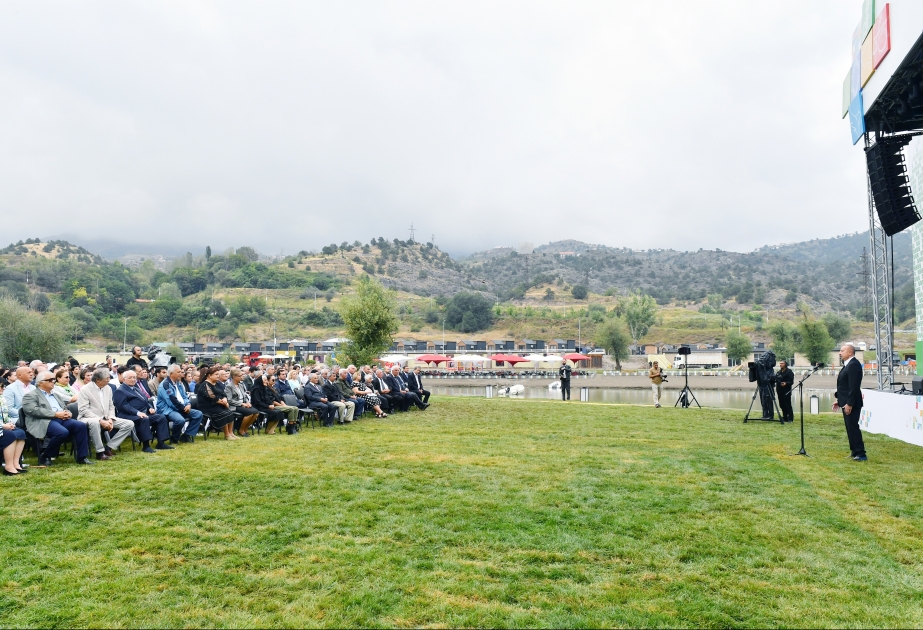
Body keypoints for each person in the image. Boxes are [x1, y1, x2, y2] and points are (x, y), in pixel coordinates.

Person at [22, 371, 93, 466]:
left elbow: (64, 407)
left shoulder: (55, 394)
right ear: (41, 382)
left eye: (54, 380)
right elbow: (33, 410)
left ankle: (82, 457)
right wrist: (55, 414)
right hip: (44, 420)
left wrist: (68, 413)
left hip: (61, 419)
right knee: (61, 432)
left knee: (81, 425)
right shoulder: (31, 395)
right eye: (50, 380)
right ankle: (46, 455)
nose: (53, 382)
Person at [77, 368, 135, 460]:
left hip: (106, 417)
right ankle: (99, 452)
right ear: (97, 380)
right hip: (87, 418)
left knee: (129, 424)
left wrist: (111, 419)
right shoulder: (85, 389)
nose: (109, 380)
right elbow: (84, 410)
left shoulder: (107, 388)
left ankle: (109, 448)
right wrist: (99, 420)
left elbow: (111, 406)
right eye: (106, 378)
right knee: (95, 423)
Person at [114, 370, 173, 452]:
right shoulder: (120, 391)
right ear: (124, 379)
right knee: (144, 419)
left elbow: (145, 401)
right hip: (129, 415)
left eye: (134, 377)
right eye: (130, 378)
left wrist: (149, 408)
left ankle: (161, 443)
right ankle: (146, 446)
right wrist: (137, 413)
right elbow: (123, 406)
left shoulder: (136, 388)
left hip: (143, 412)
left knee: (161, 417)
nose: (133, 379)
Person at [833, 343, 866, 461]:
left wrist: (849, 403)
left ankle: (861, 453)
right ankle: (854, 451)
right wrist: (839, 400)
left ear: (850, 352)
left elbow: (854, 387)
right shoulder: (847, 364)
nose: (839, 353)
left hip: (852, 403)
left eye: (842, 351)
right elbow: (844, 386)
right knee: (849, 428)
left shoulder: (853, 365)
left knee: (853, 427)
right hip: (845, 401)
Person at [157, 364, 203, 443]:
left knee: (198, 414)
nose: (181, 374)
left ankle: (186, 436)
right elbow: (172, 401)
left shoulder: (178, 383)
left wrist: (188, 404)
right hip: (168, 409)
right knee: (180, 420)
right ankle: (174, 438)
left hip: (180, 407)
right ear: (171, 374)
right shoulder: (165, 385)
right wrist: (183, 408)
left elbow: (184, 396)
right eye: (178, 372)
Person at [196, 366, 238, 440]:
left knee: (230, 412)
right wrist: (224, 403)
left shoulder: (217, 383)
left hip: (218, 404)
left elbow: (224, 393)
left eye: (218, 374)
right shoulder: (205, 385)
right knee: (224, 413)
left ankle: (231, 433)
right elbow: (212, 397)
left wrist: (225, 399)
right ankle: (227, 435)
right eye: (216, 374)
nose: (218, 376)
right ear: (209, 375)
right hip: (208, 407)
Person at [0, 381, 28, 475]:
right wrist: (3, 426)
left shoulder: (1, 399)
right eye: (1, 386)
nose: (3, 389)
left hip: (2, 425)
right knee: (9, 435)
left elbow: (4, 416)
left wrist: (9, 423)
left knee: (20, 433)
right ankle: (8, 467)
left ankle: (15, 463)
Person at [225, 368, 260, 437]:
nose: (242, 377)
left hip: (243, 404)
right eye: (240, 376)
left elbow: (244, 396)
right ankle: (241, 430)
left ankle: (245, 428)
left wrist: (247, 402)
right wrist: (242, 404)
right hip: (235, 406)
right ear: (234, 377)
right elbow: (229, 400)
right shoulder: (229, 386)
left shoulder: (241, 385)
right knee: (250, 413)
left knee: (256, 413)